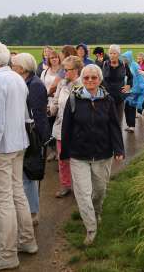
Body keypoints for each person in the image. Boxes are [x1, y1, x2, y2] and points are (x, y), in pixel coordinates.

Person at [0, 41, 38, 271]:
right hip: (18, 143)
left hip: (2, 148)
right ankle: (27, 241)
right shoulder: (16, 78)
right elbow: (23, 115)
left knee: (4, 201)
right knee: (17, 193)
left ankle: (8, 254)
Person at [60, 64, 125, 246]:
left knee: (99, 191)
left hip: (103, 154)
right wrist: (64, 152)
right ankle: (91, 228)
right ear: (82, 79)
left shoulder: (108, 100)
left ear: (99, 79)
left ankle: (97, 211)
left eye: (93, 78)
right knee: (83, 193)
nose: (90, 80)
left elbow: (114, 125)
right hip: (78, 155)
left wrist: (119, 149)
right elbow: (67, 127)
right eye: (86, 77)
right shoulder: (74, 99)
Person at [11, 53, 49, 227]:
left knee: (29, 175)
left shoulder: (34, 85)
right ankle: (27, 209)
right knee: (25, 175)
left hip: (32, 136)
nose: (12, 68)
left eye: (14, 65)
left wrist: (40, 139)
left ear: (23, 68)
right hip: (25, 134)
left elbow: (38, 115)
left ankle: (33, 212)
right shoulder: (25, 82)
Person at [50, 56, 83, 198]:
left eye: (67, 70)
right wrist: (50, 109)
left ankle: (81, 188)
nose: (64, 73)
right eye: (64, 70)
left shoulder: (83, 84)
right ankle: (65, 185)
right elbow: (56, 102)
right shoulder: (62, 84)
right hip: (60, 128)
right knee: (63, 159)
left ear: (76, 70)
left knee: (78, 160)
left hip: (77, 130)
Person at [101, 45, 132, 128]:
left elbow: (130, 76)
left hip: (119, 96)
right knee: (107, 120)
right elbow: (99, 78)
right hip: (107, 96)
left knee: (118, 121)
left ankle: (117, 138)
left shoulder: (124, 65)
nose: (112, 55)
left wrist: (128, 85)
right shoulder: (104, 64)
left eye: (114, 53)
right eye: (110, 53)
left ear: (118, 54)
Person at [121, 51, 144, 133]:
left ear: (129, 58)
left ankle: (132, 126)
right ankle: (129, 125)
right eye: (123, 58)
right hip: (126, 89)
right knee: (126, 108)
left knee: (131, 107)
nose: (124, 59)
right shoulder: (124, 66)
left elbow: (140, 76)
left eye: (125, 58)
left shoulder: (135, 65)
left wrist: (142, 85)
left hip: (134, 89)